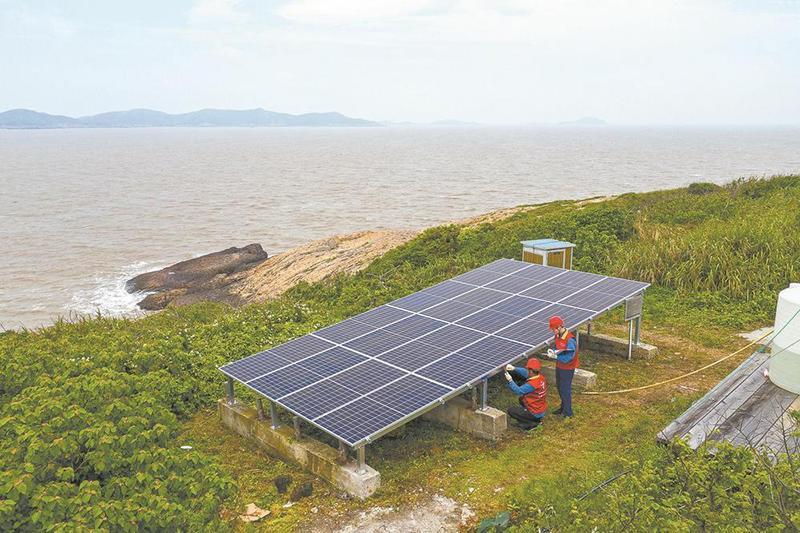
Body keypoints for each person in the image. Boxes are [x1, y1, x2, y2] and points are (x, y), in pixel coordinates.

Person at [546, 315, 578, 417]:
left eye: (553, 329)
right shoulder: (557, 336)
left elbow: (569, 357)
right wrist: (553, 351)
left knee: (565, 389)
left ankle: (568, 413)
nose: (553, 331)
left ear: (559, 327)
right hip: (559, 366)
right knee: (560, 388)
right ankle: (563, 408)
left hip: (567, 368)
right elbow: (557, 347)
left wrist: (556, 357)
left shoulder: (570, 340)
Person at [503, 358, 548, 430]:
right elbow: (525, 373)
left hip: (535, 412)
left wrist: (510, 380)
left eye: (528, 369)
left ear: (531, 371)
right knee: (521, 399)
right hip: (540, 408)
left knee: (511, 410)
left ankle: (531, 424)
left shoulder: (532, 384)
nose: (526, 370)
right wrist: (514, 368)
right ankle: (534, 419)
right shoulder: (540, 378)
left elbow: (518, 391)